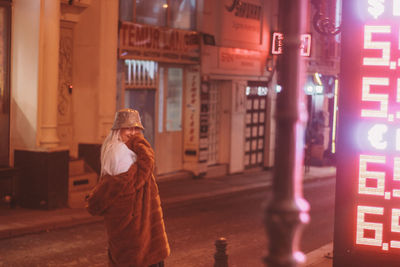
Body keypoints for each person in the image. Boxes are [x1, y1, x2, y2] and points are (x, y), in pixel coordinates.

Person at [86, 108, 170, 267]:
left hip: (130, 225)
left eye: (136, 128)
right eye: (128, 128)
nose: (132, 133)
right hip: (135, 227)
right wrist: (140, 142)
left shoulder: (115, 148)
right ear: (118, 129)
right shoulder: (122, 152)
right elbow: (139, 176)